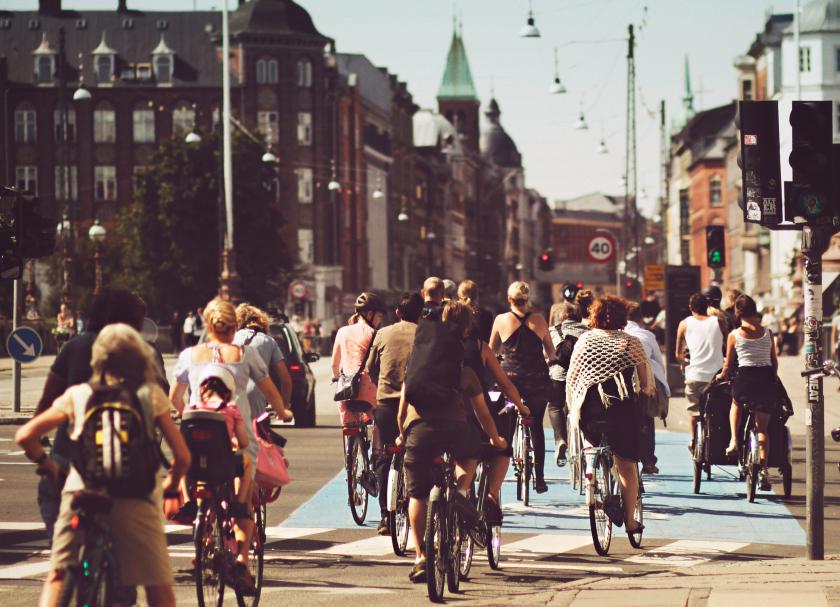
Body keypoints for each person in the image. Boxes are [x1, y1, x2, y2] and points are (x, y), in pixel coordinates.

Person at [16, 324, 191, 607]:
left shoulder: (79, 393)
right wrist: (170, 483)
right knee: (157, 585)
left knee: (58, 574)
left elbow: (25, 435)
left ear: (97, 358)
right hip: (134, 496)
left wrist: (46, 463)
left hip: (82, 493)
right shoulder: (150, 395)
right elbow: (182, 457)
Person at [170, 298, 293, 568]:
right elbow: (271, 390)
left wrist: (187, 413)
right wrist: (283, 412)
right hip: (233, 433)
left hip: (195, 427)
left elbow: (175, 398)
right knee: (244, 476)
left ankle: (199, 529)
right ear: (234, 326)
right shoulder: (244, 354)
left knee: (192, 467)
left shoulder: (189, 356)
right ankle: (242, 559)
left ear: (207, 325)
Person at [398, 300, 508, 583]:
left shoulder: (415, 368)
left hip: (419, 432)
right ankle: (460, 491)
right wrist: (495, 438)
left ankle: (421, 556)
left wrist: (403, 433)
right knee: (469, 453)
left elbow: (401, 412)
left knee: (417, 495)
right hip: (455, 430)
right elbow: (483, 415)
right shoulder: (463, 372)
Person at [34, 289, 149, 549]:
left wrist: (42, 455)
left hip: (68, 456)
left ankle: (62, 573)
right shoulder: (143, 354)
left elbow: (46, 401)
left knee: (61, 553)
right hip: (123, 467)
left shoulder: (74, 347)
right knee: (130, 565)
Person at [566, 295, 654, 532]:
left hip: (590, 413)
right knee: (626, 464)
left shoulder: (585, 341)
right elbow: (645, 383)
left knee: (591, 443)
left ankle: (591, 475)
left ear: (594, 315)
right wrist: (642, 393)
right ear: (623, 316)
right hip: (621, 412)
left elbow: (573, 379)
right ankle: (629, 521)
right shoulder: (631, 343)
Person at [459, 281, 528, 525]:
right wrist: (521, 406)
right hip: (475, 414)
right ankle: (490, 495)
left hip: (440, 416)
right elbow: (505, 384)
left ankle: (456, 496)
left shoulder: (436, 346)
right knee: (501, 448)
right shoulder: (480, 348)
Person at [186, 364, 256, 588]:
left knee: (203, 490)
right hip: (223, 467)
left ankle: (203, 534)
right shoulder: (230, 408)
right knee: (246, 462)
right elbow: (244, 443)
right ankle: (239, 502)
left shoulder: (192, 408)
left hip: (196, 468)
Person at [365, 292, 424, 535]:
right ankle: (415, 507)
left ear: (397, 313)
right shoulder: (424, 335)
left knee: (382, 456)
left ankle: (384, 518)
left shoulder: (382, 333)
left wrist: (383, 384)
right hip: (415, 405)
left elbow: (369, 368)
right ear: (421, 315)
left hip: (387, 405)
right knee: (419, 456)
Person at [490, 281, 557, 494]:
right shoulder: (539, 320)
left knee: (506, 427)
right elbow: (551, 351)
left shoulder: (501, 320)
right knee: (536, 425)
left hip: (510, 381)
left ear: (510, 299)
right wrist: (550, 360)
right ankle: (540, 478)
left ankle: (499, 473)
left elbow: (491, 350)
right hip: (537, 380)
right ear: (528, 300)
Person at [716, 295, 782, 490]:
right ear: (754, 311)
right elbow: (774, 360)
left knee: (735, 403)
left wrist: (722, 375)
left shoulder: (734, 335)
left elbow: (728, 365)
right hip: (765, 380)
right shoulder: (768, 332)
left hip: (745, 379)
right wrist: (773, 376)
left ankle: (734, 441)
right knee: (763, 430)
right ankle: (763, 470)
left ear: (737, 312)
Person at [676, 293, 726, 449]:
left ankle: (693, 441)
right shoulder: (719, 321)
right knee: (717, 409)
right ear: (707, 307)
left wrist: (683, 362)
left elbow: (678, 353)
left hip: (695, 375)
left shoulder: (684, 324)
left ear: (691, 308)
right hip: (716, 376)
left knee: (694, 411)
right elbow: (728, 342)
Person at [626, 302, 670, 475]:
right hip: (643, 385)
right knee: (646, 419)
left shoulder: (618, 334)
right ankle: (648, 461)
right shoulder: (646, 335)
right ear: (640, 318)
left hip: (620, 385)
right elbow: (659, 362)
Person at [332, 292, 386, 426]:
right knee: (378, 421)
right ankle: (377, 445)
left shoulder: (342, 331)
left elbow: (334, 364)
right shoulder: (375, 334)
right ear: (369, 314)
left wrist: (335, 376)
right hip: (370, 388)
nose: (379, 320)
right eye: (379, 316)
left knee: (349, 422)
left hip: (347, 389)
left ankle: (350, 437)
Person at [233, 303, 293, 417]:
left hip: (231, 396)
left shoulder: (230, 338)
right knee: (257, 431)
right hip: (256, 397)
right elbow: (286, 379)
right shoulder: (268, 341)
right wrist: (284, 406)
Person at [548, 301, 589, 467]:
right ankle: (587, 445)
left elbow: (547, 354)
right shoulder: (588, 332)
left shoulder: (554, 331)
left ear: (562, 317)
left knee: (555, 406)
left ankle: (560, 440)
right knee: (583, 409)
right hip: (581, 378)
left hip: (559, 376)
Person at [459, 279, 494, 343]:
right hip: (482, 351)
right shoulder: (487, 315)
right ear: (477, 296)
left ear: (460, 296)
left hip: (460, 352)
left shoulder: (456, 314)